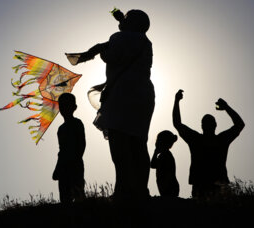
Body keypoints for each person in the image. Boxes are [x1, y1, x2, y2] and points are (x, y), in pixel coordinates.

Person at [67, 9, 155, 201]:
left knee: (120, 145)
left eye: (126, 18)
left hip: (123, 94)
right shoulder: (145, 41)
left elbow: (111, 56)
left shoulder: (120, 37)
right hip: (144, 95)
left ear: (131, 23)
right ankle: (141, 189)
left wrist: (101, 48)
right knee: (138, 144)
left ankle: (123, 189)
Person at [173, 90, 245, 198]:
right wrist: (226, 108)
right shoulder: (218, 140)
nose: (208, 125)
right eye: (206, 122)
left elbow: (177, 124)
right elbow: (177, 124)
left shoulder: (199, 139)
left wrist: (177, 101)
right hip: (205, 185)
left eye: (209, 122)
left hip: (213, 186)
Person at [52, 93, 86, 203]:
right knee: (65, 197)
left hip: (75, 164)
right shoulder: (60, 129)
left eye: (66, 105)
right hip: (63, 167)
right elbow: (61, 150)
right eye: (61, 106)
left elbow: (82, 144)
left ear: (74, 107)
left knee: (78, 194)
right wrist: (58, 168)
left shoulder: (77, 123)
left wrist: (76, 159)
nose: (63, 108)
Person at [151, 130, 180, 197]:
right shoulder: (163, 155)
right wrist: (155, 153)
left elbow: (168, 176)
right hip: (168, 188)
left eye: (158, 140)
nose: (156, 143)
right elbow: (152, 165)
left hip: (169, 188)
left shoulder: (166, 156)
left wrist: (155, 153)